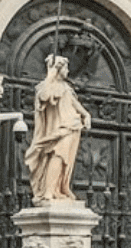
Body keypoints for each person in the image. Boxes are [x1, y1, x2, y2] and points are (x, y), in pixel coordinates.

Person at [24, 54, 91, 203]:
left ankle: (61, 187)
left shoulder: (66, 87)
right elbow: (44, 97)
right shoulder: (46, 86)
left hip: (72, 126)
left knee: (66, 160)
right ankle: (48, 191)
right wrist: (50, 75)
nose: (68, 71)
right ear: (58, 69)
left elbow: (74, 103)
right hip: (59, 129)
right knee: (58, 155)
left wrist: (86, 114)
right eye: (65, 67)